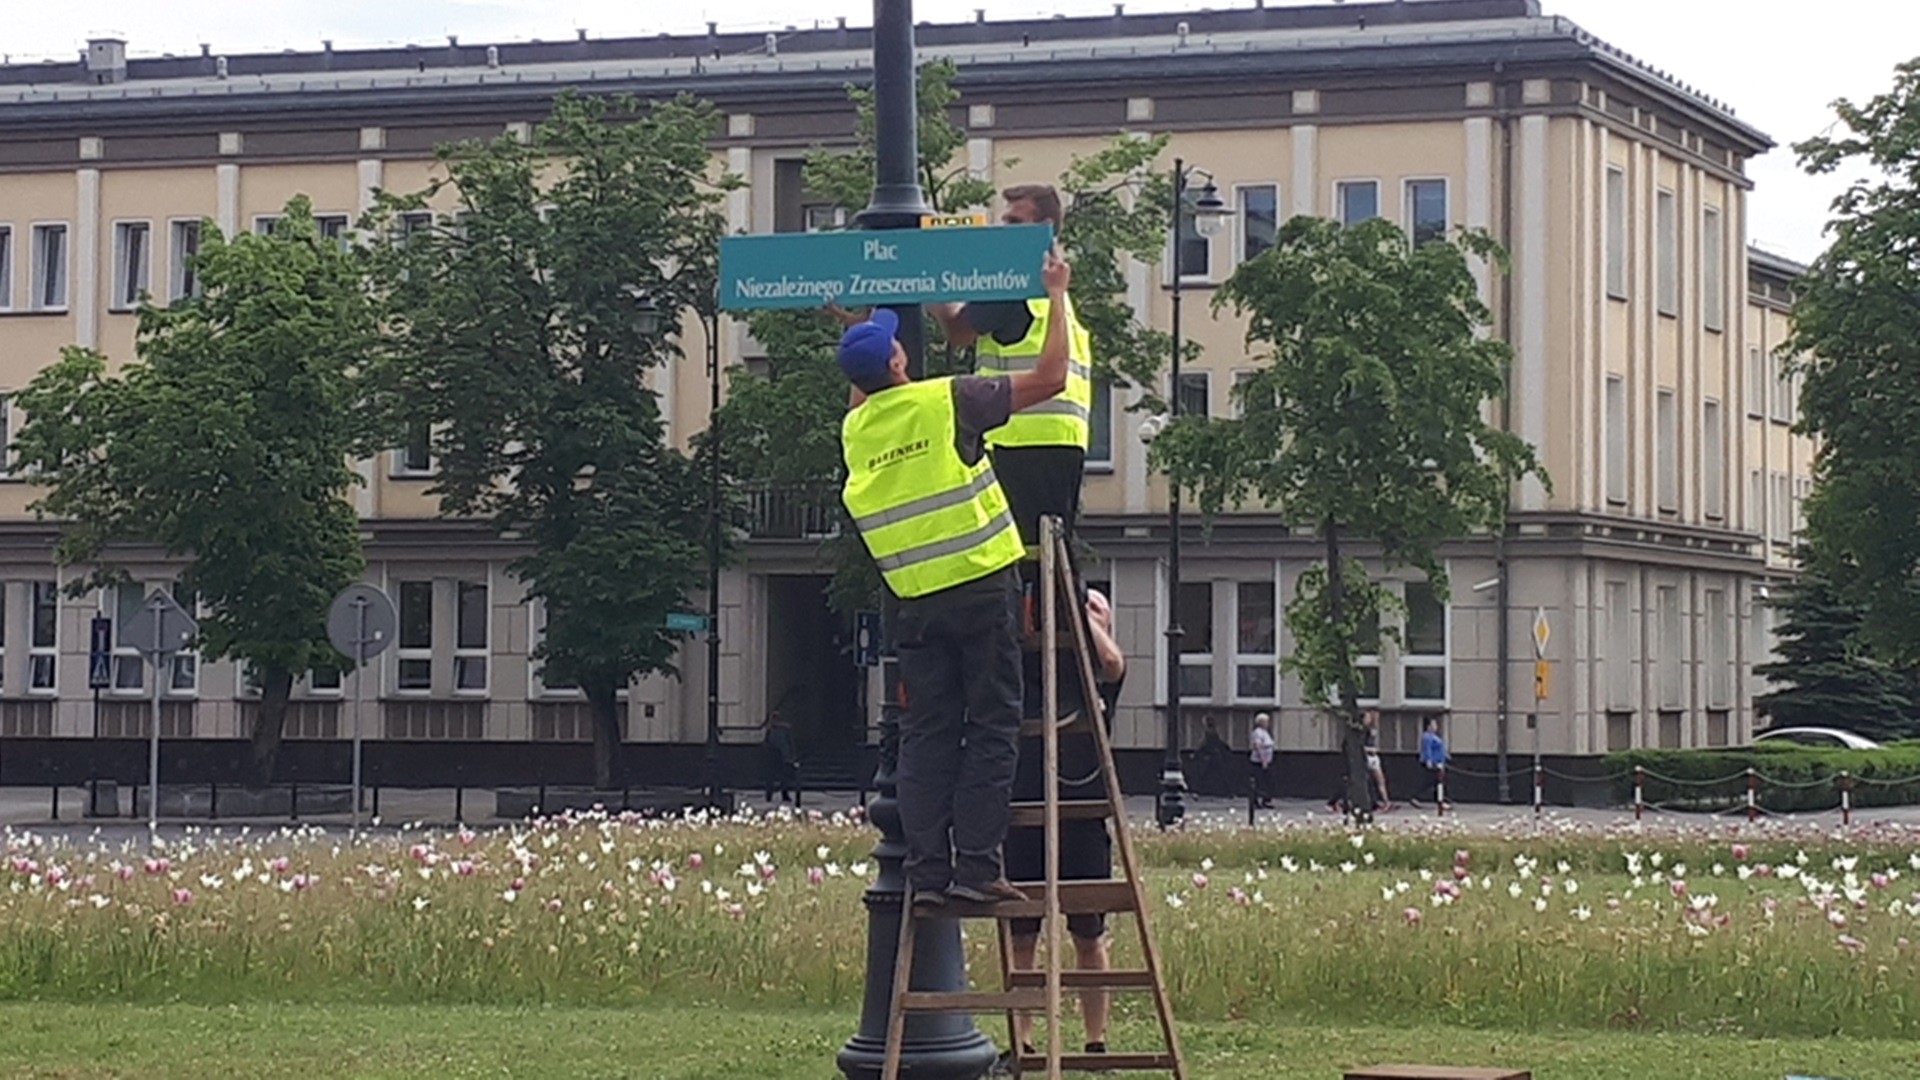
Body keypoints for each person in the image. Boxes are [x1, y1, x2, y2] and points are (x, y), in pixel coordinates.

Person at [836, 251, 1074, 909]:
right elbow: (1052, 377)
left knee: (928, 732)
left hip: (914, 604)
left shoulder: (857, 429)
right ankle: (977, 867)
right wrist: (1057, 295)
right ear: (896, 362)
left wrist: (859, 330)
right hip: (978, 585)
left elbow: (864, 382)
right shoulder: (949, 400)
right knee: (994, 723)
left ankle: (927, 872)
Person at [995, 588, 1126, 1075]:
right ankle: (1023, 1042)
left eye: (1096, 607)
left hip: (1084, 815)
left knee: (1089, 936)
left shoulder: (1098, 676)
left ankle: (1096, 1044)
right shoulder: (1035, 674)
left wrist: (1079, 617)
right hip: (1025, 809)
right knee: (1022, 937)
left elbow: (1113, 660)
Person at [931, 184, 1096, 546]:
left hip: (1017, 441)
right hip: (1061, 443)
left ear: (1044, 228)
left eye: (1013, 221)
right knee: (1051, 550)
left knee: (1019, 550)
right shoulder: (1055, 294)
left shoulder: (1018, 283)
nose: (1004, 229)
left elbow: (960, 331)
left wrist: (933, 288)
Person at [760, 710, 799, 805]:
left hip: (780, 756)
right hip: (775, 756)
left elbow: (790, 743)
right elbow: (767, 742)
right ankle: (771, 794)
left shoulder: (783, 729)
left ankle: (779, 794)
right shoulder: (771, 729)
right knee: (775, 777)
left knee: (781, 778)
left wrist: (792, 756)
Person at [1414, 714, 1449, 808]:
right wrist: (1429, 760)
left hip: (1438, 762)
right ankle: (1417, 797)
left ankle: (1440, 800)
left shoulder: (1434, 736)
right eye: (1434, 724)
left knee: (1438, 782)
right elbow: (1427, 749)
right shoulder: (1427, 737)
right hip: (1433, 763)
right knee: (1432, 781)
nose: (1436, 726)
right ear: (1429, 726)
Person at [1364, 709, 1393, 813]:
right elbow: (1360, 746)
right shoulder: (1364, 730)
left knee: (1381, 780)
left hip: (1374, 757)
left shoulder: (1373, 729)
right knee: (1367, 780)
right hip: (1367, 757)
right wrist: (1370, 749)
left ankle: (1386, 801)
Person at [1249, 712, 1276, 809]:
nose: (1268, 723)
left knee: (1267, 781)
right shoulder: (1258, 732)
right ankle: (1256, 801)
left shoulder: (1265, 732)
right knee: (1259, 782)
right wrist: (1263, 760)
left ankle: (1265, 800)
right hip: (1258, 762)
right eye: (1267, 721)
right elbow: (1258, 746)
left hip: (1267, 761)